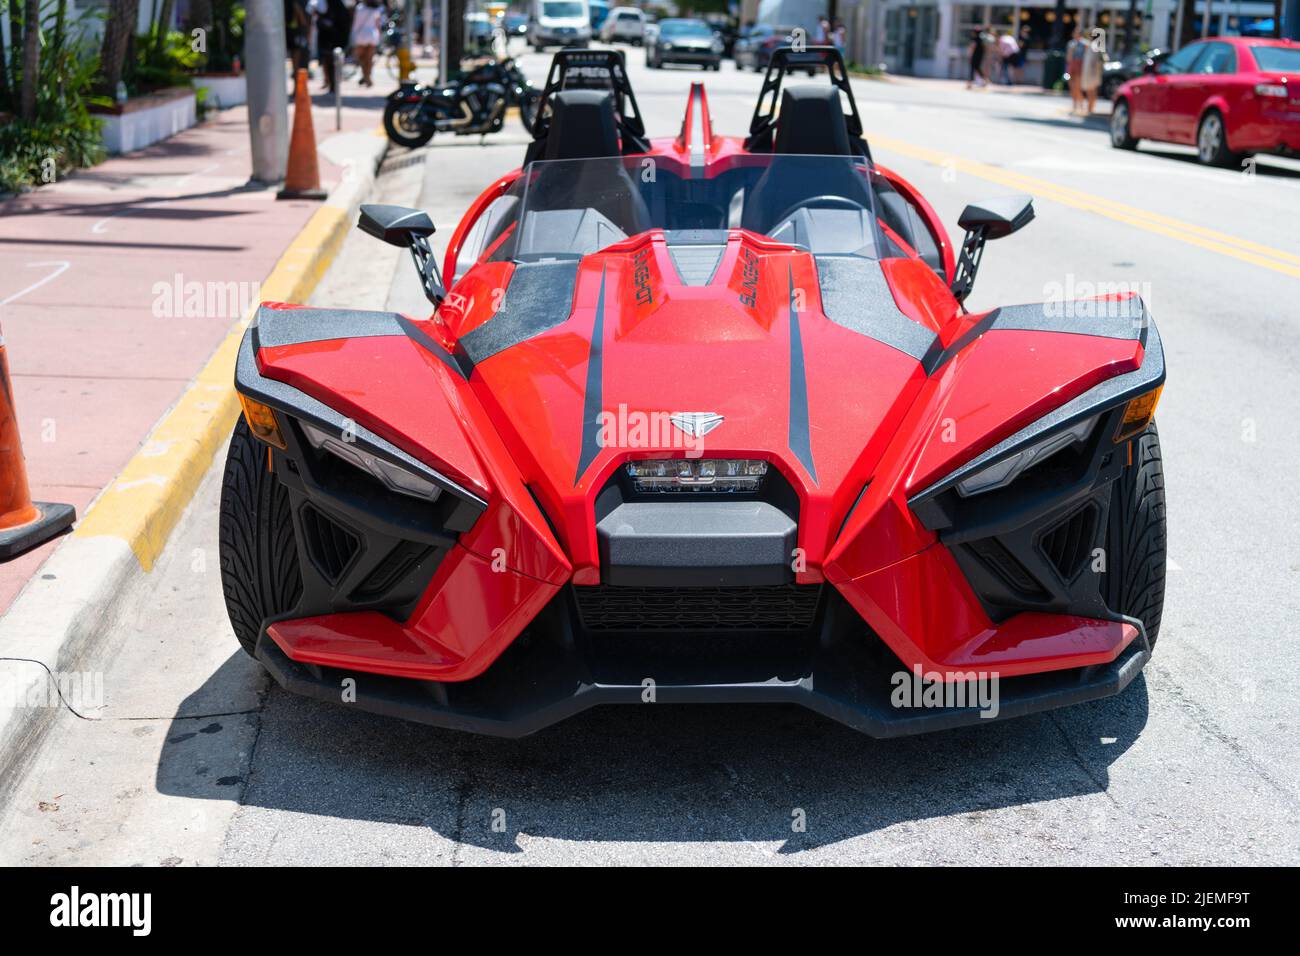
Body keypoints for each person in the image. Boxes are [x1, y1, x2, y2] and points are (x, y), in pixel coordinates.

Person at [351, 0, 383, 87]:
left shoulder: (359, 8)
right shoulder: (376, 8)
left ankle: (365, 76)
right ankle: (367, 77)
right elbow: (378, 23)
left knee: (361, 58)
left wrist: (353, 35)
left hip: (361, 35)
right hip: (372, 35)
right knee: (369, 59)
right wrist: (380, 36)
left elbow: (356, 23)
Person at [1081, 30, 1104, 115]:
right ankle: (1090, 107)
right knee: (1090, 90)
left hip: (1092, 72)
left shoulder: (1095, 46)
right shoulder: (1092, 46)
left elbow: (1097, 62)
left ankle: (1090, 108)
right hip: (1090, 71)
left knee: (1092, 90)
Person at [1066, 28, 1086, 114]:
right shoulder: (1071, 44)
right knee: (1072, 86)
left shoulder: (1084, 44)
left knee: (1078, 87)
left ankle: (1080, 105)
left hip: (1080, 65)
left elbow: (1085, 57)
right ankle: (1074, 105)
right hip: (1071, 65)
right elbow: (1068, 57)